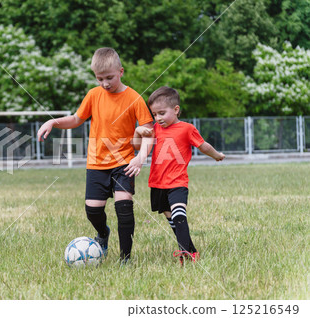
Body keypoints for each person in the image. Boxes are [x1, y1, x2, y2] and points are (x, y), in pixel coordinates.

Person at [37, 47, 153, 263]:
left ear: (121, 71)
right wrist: (53, 121)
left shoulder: (134, 98)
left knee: (124, 207)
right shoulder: (93, 95)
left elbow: (148, 132)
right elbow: (75, 119)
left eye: (109, 77)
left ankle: (125, 259)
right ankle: (103, 233)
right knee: (92, 210)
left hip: (124, 162)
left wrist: (141, 157)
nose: (104, 83)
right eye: (99, 78)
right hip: (97, 163)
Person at [131, 86, 225, 265]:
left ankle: (183, 252)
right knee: (172, 221)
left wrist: (216, 155)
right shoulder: (155, 129)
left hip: (178, 181)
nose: (158, 118)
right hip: (158, 183)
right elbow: (137, 147)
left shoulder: (186, 129)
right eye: (154, 114)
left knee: (179, 214)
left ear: (176, 110)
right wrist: (137, 132)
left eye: (161, 113)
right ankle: (192, 251)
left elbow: (202, 145)